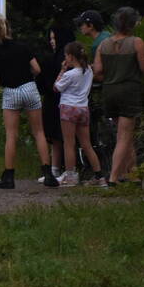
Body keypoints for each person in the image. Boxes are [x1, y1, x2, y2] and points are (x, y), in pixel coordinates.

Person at [0, 15, 59, 189]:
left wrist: (5, 79)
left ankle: (9, 177)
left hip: (11, 93)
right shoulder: (23, 47)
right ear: (9, 28)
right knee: (39, 132)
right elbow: (37, 69)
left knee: (11, 135)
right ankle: (48, 174)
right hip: (29, 89)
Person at [94, 6, 144, 184]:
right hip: (129, 91)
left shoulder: (103, 44)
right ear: (132, 23)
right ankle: (113, 177)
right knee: (125, 136)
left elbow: (97, 71)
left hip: (109, 91)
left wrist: (111, 76)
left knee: (124, 135)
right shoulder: (137, 42)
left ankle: (133, 174)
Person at [54, 41, 106, 187]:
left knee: (69, 144)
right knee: (87, 144)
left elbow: (56, 87)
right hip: (83, 109)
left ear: (70, 57)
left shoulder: (70, 74)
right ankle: (99, 176)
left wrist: (62, 70)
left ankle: (70, 176)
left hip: (69, 108)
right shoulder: (88, 71)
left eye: (66, 55)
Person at [37, 26, 76, 182]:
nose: (52, 42)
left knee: (60, 137)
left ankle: (65, 170)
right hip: (59, 101)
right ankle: (56, 168)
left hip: (60, 101)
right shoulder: (61, 58)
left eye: (54, 39)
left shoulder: (60, 60)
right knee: (57, 137)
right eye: (51, 39)